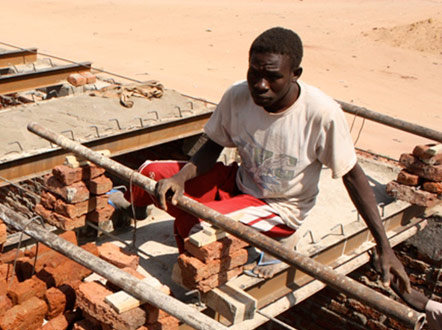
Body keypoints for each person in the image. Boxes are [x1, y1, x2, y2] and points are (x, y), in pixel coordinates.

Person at [114, 27, 411, 289]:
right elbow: (213, 145)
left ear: (295, 74)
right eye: (254, 73)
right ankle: (132, 209)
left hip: (279, 206)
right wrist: (179, 179)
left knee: (196, 225)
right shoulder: (238, 96)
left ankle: (217, 272)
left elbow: (353, 177)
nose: (260, 85)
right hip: (240, 181)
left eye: (273, 77)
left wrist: (384, 246)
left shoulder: (321, 114)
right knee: (149, 173)